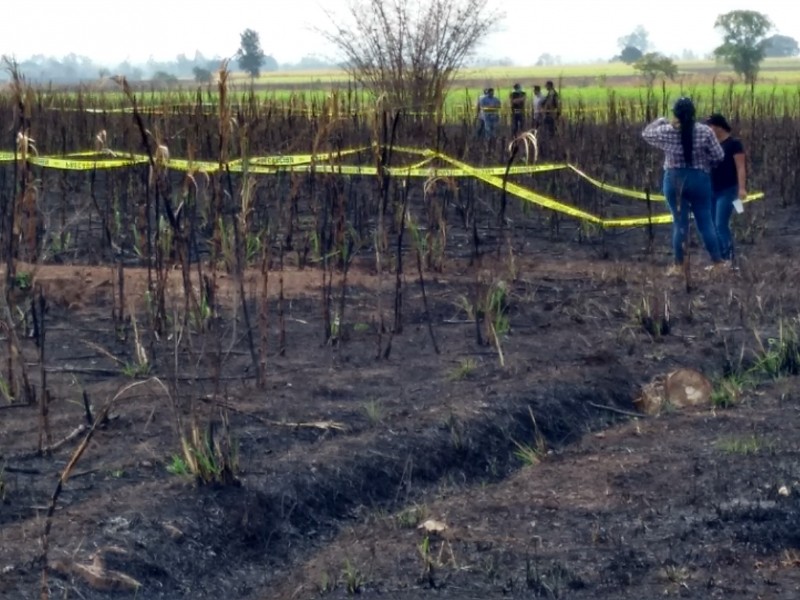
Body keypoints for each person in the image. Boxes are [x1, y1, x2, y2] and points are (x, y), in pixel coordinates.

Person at [642, 97, 726, 273]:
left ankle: (679, 266)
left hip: (673, 179)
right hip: (699, 179)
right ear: (694, 112)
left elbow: (646, 134)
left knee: (679, 224)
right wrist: (706, 163)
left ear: (675, 114)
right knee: (705, 222)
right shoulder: (705, 131)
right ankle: (718, 263)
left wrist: (660, 120)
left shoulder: (666, 130)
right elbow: (719, 156)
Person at [706, 113, 746, 261]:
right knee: (711, 226)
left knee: (720, 224)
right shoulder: (711, 146)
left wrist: (742, 188)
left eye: (710, 126)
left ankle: (729, 259)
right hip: (712, 190)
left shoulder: (734, 144)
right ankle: (719, 260)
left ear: (718, 127)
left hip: (728, 190)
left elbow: (740, 167)